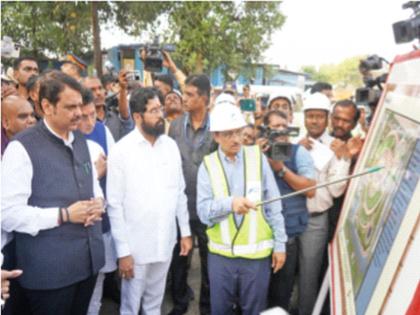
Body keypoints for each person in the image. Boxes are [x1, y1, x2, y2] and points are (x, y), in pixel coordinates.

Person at [1, 71, 105, 315]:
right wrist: (64, 215)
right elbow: (7, 214)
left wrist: (98, 204)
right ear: (46, 106)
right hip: (49, 275)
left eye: (80, 105)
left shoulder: (82, 141)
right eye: (70, 107)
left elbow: (94, 187)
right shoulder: (22, 148)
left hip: (88, 264)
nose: (79, 113)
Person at [107, 87, 192, 315]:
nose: (160, 115)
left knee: (155, 303)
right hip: (135, 248)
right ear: (137, 117)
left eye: (160, 109)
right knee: (130, 306)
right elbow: (114, 205)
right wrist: (123, 252)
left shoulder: (170, 147)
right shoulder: (121, 151)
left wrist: (184, 232)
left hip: (165, 241)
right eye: (153, 111)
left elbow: (179, 192)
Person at [197, 103, 287, 315]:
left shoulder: (258, 158)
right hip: (221, 258)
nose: (236, 139)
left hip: (256, 258)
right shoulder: (208, 165)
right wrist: (230, 204)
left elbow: (274, 203)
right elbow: (203, 211)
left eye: (238, 132)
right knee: (220, 311)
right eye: (228, 134)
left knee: (254, 311)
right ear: (216, 136)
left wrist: (280, 244)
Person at [298, 92, 351, 315]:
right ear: (304, 118)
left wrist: (343, 158)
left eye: (319, 116)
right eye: (310, 116)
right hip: (290, 218)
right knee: (283, 274)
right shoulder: (293, 142)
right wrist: (295, 152)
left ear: (327, 118)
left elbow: (337, 189)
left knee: (309, 277)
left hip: (316, 221)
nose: (315, 121)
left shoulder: (336, 147)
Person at [168, 74, 217, 315]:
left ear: (204, 99)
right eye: (183, 93)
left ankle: (206, 308)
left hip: (208, 209)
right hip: (181, 207)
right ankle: (179, 302)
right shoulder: (175, 126)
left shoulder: (218, 127)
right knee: (179, 260)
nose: (183, 98)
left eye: (189, 95)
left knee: (210, 264)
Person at [260, 110, 316, 311]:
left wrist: (280, 169)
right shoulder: (254, 151)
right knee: (256, 291)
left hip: (288, 234)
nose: (280, 132)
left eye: (283, 126)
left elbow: (310, 190)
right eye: (274, 127)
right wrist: (254, 156)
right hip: (258, 235)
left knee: (281, 291)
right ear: (265, 130)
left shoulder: (298, 153)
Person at [79, 88, 117, 315]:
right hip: (75, 229)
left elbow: (116, 170)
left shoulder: (103, 132)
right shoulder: (66, 139)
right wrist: (96, 174)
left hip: (101, 223)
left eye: (93, 114)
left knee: (98, 284)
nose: (89, 121)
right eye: (84, 116)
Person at [82, 72, 133, 141]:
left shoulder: (115, 115)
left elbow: (125, 117)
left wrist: (123, 88)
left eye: (100, 88)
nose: (98, 93)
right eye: (92, 90)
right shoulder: (80, 122)